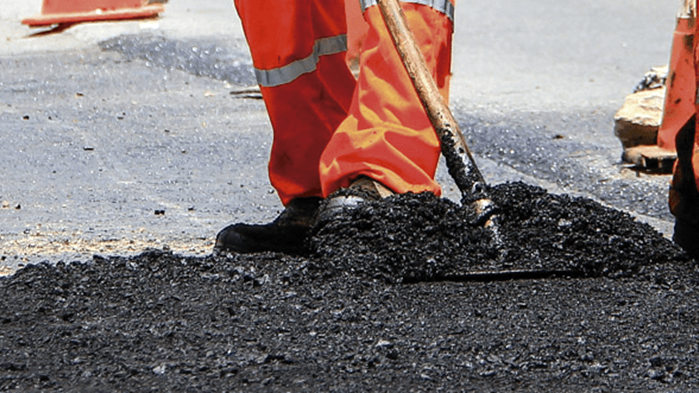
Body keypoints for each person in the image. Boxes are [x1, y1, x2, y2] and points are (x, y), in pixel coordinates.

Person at [215, 0, 456, 254]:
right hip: (309, 165)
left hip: (390, 164)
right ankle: (319, 184)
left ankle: (388, 173)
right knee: (276, 9)